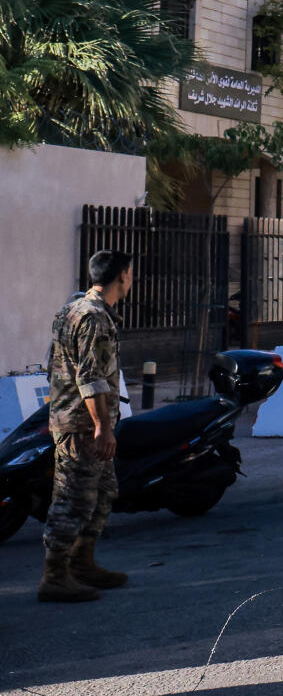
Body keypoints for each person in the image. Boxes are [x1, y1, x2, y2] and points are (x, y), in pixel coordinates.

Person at [39, 250, 133, 603]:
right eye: (131, 272)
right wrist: (102, 427)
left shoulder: (74, 309)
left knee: (103, 492)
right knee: (73, 499)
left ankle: (81, 562)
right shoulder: (92, 317)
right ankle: (54, 575)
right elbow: (90, 377)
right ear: (123, 275)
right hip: (81, 425)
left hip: (81, 420)